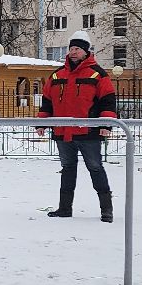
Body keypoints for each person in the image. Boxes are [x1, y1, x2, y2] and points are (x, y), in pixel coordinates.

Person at [37, 31, 119, 222]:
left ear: (86, 51)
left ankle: (106, 210)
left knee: (95, 168)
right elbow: (47, 101)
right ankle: (65, 209)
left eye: (77, 49)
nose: (73, 52)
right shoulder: (57, 75)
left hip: (89, 132)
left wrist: (106, 124)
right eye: (71, 49)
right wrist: (42, 122)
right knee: (67, 169)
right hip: (63, 131)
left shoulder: (98, 74)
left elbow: (108, 101)